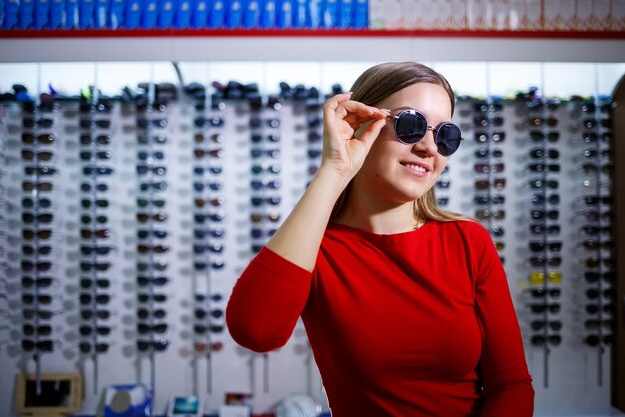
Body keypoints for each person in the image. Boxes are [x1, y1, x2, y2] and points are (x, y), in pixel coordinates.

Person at [226, 61, 534, 416]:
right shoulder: (316, 252)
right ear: (359, 125)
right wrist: (335, 168)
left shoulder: (467, 242)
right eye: (411, 125)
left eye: (445, 135)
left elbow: (510, 384)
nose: (429, 148)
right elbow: (255, 331)